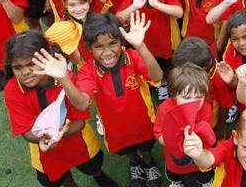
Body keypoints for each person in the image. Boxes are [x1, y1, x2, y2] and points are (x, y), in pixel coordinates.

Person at [33, 12, 164, 187]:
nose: (108, 52)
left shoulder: (133, 57)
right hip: (116, 131)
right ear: (89, 47)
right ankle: (134, 163)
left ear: (121, 42)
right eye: (99, 47)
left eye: (113, 44)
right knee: (127, 150)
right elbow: (81, 103)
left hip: (144, 124)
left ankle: (148, 162)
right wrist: (64, 77)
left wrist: (140, 46)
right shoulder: (88, 71)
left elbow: (157, 75)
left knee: (146, 146)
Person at [3, 31, 116, 187]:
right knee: (57, 178)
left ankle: (99, 176)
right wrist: (47, 139)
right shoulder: (12, 90)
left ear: (47, 58)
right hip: (43, 149)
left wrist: (54, 136)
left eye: (31, 64)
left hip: (78, 142)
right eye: (17, 67)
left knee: (92, 165)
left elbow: (79, 123)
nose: (25, 72)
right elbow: (27, 132)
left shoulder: (64, 77)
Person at [117, 0, 183, 73]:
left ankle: (163, 87)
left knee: (167, 70)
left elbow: (179, 13)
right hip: (142, 46)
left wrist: (157, 5)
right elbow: (119, 19)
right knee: (146, 71)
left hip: (166, 46)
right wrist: (133, 7)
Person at [154, 63, 215, 187]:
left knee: (203, 173)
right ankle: (177, 182)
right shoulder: (165, 109)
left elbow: (206, 135)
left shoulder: (206, 109)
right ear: (175, 95)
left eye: (198, 97)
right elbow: (159, 133)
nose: (193, 103)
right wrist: (172, 140)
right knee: (175, 173)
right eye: (186, 97)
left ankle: (205, 182)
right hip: (174, 156)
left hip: (198, 154)